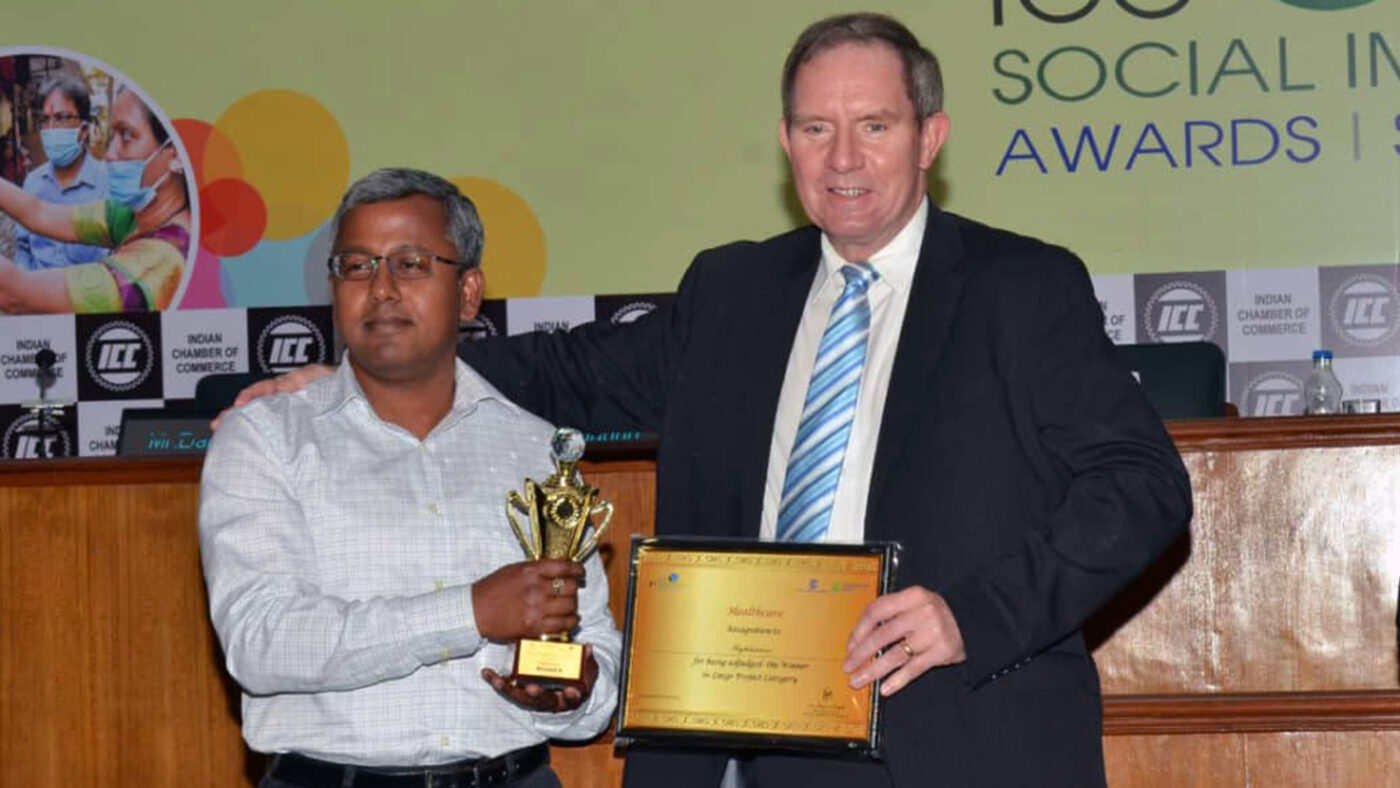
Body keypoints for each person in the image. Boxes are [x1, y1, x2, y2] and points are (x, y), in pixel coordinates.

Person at [230, 14, 1192, 787]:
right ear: (786, 142)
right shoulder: (735, 291)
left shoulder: (1019, 289)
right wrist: (381, 370)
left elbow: (1143, 487)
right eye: (817, 128)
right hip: (739, 740)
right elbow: (571, 374)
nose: (844, 158)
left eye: (875, 126)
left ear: (930, 137)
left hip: (947, 737)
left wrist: (970, 615)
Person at [200, 168, 621, 788]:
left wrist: (578, 692)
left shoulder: (537, 450)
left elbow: (596, 653)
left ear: (469, 293)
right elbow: (262, 643)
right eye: (357, 265)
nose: (383, 288)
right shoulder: (265, 439)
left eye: (413, 263)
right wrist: (471, 612)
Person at [0, 84, 188, 312]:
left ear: (176, 154)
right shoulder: (134, 216)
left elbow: (14, 293)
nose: (109, 154)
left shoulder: (162, 261)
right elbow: (38, 212)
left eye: (126, 136)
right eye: (113, 136)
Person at [12, 72, 110, 270]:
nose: (51, 128)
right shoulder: (32, 182)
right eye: (45, 120)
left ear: (84, 129)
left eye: (62, 118)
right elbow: (23, 247)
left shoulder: (107, 186)